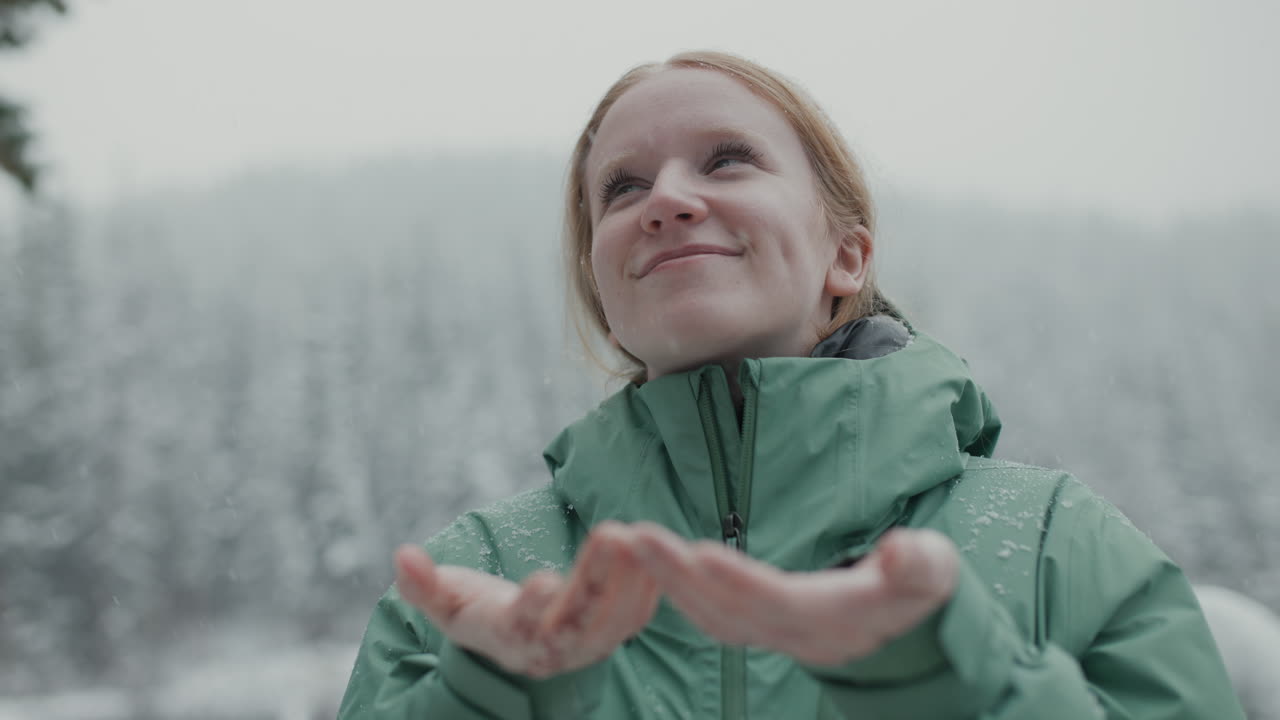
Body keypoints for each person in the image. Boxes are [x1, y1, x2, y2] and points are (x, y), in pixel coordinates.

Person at [337, 50, 1244, 719]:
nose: (667, 199)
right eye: (623, 187)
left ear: (846, 255)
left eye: (726, 159)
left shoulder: (1061, 547)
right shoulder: (474, 580)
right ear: (606, 296)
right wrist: (486, 696)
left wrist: (951, 680)